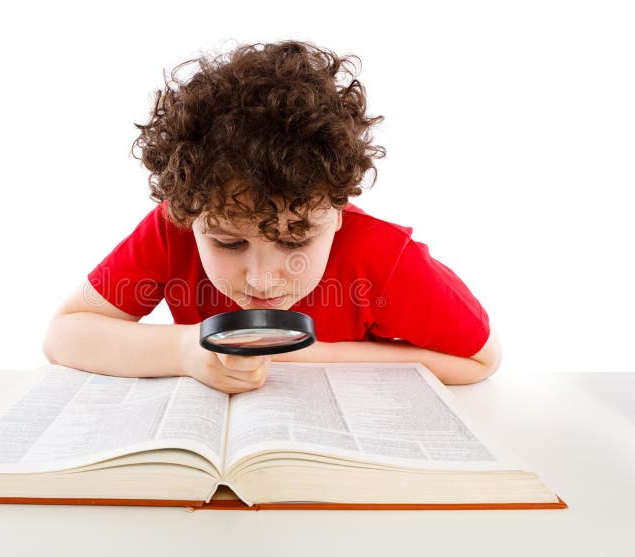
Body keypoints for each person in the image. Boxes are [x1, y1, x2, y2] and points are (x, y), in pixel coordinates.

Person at [42, 39, 502, 393]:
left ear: (338, 211)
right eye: (228, 243)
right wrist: (187, 349)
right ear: (189, 214)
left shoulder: (383, 258)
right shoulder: (173, 227)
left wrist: (302, 357)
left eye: (295, 240)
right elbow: (63, 335)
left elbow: (483, 359)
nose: (261, 281)